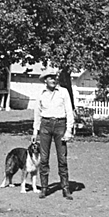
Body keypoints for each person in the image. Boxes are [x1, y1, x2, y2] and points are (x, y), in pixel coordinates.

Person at [31, 69, 75, 200]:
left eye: (54, 77)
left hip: (60, 125)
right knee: (44, 158)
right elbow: (37, 114)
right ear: (45, 80)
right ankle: (44, 188)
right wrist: (35, 131)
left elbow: (69, 111)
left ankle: (65, 188)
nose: (53, 80)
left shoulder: (63, 92)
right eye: (50, 78)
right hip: (45, 125)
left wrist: (69, 130)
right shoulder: (41, 94)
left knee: (62, 158)